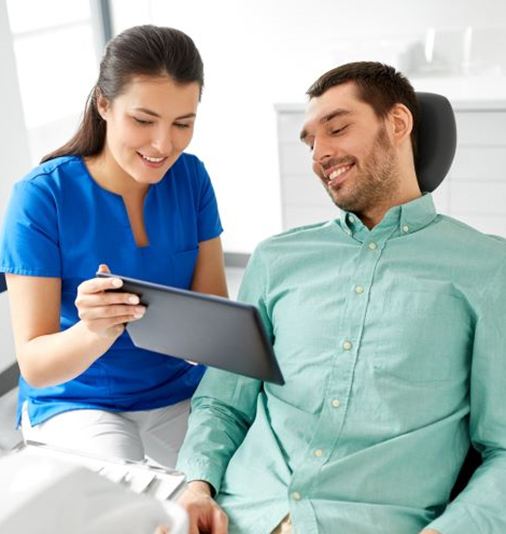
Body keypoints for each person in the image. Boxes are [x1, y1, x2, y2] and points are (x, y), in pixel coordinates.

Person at [175, 62, 506, 533]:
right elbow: (223, 402)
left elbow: (503, 448)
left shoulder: (489, 269)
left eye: (338, 128)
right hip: (236, 517)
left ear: (397, 124)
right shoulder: (276, 259)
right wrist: (195, 487)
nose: (319, 154)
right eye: (311, 141)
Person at [0, 25, 227, 468]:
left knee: (231, 494)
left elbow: (214, 311)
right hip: (76, 399)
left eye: (183, 124)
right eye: (143, 121)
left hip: (177, 390)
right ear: (104, 104)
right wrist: (94, 331)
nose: (164, 145)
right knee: (128, 506)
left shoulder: (192, 179)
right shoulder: (42, 196)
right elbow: (36, 364)